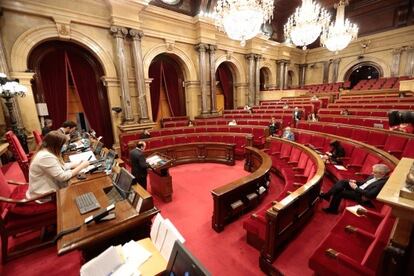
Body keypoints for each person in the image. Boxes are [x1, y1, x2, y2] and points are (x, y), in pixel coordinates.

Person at [26, 131, 90, 201]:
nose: (65, 146)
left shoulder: (46, 151)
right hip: (45, 195)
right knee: (80, 190)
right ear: (56, 145)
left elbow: (59, 166)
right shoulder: (45, 157)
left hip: (47, 189)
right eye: (63, 145)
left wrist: (75, 164)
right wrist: (81, 166)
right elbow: (62, 177)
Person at [319, 164, 390, 214]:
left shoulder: (382, 183)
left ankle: (332, 209)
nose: (372, 173)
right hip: (358, 189)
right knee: (343, 181)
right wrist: (356, 182)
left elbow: (370, 194)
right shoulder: (374, 176)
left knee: (340, 193)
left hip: (361, 196)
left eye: (374, 172)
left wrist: (355, 188)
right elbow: (363, 183)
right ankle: (327, 195)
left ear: (382, 174)